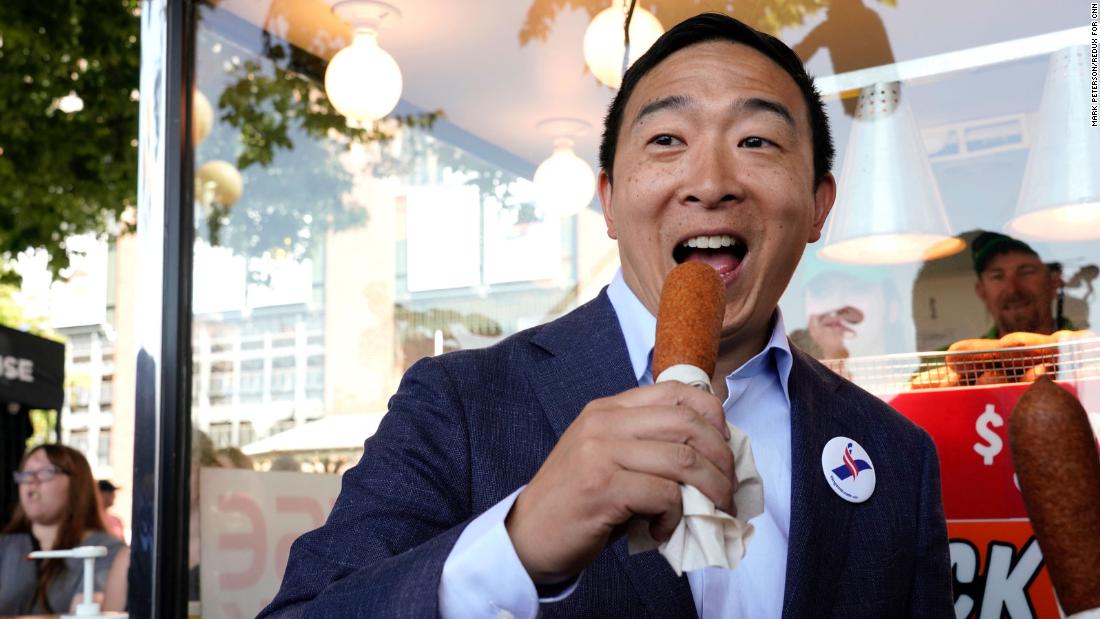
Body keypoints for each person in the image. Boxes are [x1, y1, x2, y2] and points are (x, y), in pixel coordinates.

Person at [261, 13, 952, 617]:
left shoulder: (895, 453)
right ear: (611, 202)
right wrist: (517, 542)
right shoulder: (460, 404)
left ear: (819, 205)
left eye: (757, 142)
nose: (710, 183)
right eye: (666, 141)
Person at [0, 444, 125, 615]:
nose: (32, 480)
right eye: (26, 473)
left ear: (77, 483)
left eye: (46, 472)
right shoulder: (7, 546)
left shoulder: (104, 550)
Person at [971, 231, 1073, 338]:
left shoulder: (1090, 350)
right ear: (981, 291)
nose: (1012, 289)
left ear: (1055, 282)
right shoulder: (956, 354)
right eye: (997, 276)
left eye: (1026, 272)